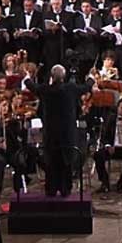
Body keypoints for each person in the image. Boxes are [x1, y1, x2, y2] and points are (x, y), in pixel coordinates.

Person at [24, 65, 92, 196]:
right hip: (67, 134)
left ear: (51, 77)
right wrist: (91, 78)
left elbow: (32, 86)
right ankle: (65, 190)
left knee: (51, 162)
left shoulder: (45, 90)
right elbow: (86, 87)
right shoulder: (71, 89)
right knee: (66, 162)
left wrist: (27, 77)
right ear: (64, 76)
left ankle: (51, 190)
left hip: (51, 134)